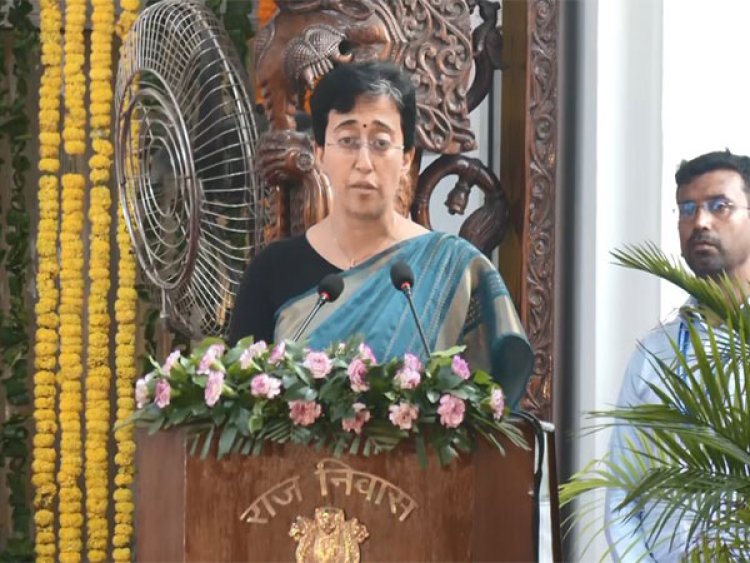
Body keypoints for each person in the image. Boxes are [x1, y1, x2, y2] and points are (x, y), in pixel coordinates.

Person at [228, 61, 533, 407]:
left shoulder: (455, 271)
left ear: (406, 157)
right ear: (319, 153)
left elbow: (492, 411)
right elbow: (240, 410)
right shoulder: (272, 272)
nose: (363, 161)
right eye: (347, 140)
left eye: (380, 142)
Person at [604, 150, 750, 561]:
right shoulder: (655, 352)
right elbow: (622, 495)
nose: (700, 221)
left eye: (719, 206)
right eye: (687, 208)